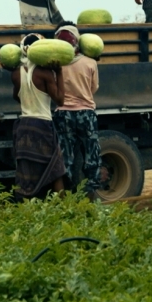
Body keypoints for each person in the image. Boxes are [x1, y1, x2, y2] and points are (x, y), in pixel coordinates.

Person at [9, 34, 67, 199]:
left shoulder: (15, 74)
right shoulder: (45, 73)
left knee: (26, 172)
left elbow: (16, 97)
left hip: (24, 127)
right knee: (56, 168)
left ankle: (27, 210)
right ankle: (65, 209)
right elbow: (60, 100)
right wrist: (59, 72)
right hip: (42, 126)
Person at [52, 23, 104, 197]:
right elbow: (93, 88)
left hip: (63, 114)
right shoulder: (90, 63)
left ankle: (67, 192)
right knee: (91, 153)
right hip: (86, 113)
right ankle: (91, 192)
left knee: (66, 155)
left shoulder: (55, 65)